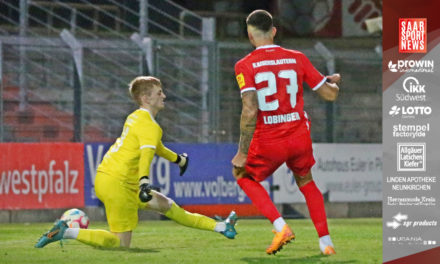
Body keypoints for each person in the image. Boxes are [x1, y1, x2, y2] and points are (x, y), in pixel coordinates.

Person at [36, 76, 237, 249]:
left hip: (114, 178)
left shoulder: (136, 117)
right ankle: (67, 232)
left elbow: (155, 147)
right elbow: (146, 153)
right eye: (159, 93)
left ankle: (221, 227)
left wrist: (178, 159)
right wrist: (144, 181)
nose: (164, 96)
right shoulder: (150, 125)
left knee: (168, 206)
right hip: (119, 183)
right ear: (146, 98)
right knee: (119, 243)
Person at [231, 10, 340, 255]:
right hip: (299, 135)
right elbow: (330, 95)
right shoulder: (297, 58)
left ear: (250, 35)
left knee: (242, 174)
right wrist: (331, 82)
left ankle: (281, 227)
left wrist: (241, 151)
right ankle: (326, 242)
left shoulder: (245, 65)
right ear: (274, 31)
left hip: (269, 138)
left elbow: (250, 109)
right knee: (307, 182)